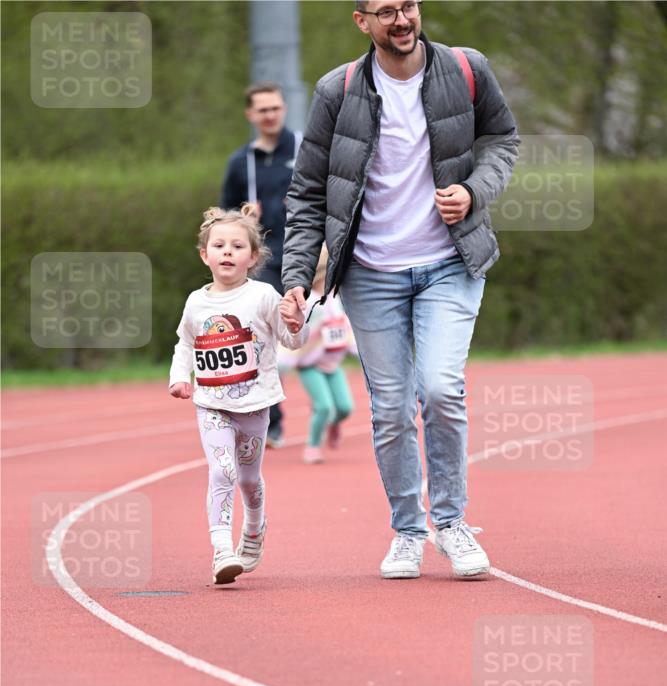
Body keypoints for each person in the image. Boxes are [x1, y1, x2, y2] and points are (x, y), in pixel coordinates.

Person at [280, 0, 519, 580]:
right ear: (362, 21)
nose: (403, 20)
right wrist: (294, 280)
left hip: (448, 262)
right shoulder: (337, 90)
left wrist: (473, 190)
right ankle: (409, 531)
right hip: (370, 273)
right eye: (386, 11)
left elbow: (502, 141)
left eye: (409, 5)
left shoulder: (466, 68)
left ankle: (453, 523)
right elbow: (308, 192)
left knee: (439, 390)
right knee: (390, 409)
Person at [169, 205, 306, 585]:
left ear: (253, 257)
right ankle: (221, 550)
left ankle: (254, 527)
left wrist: (297, 321)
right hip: (212, 404)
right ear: (205, 255)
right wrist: (180, 377)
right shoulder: (197, 302)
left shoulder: (263, 296)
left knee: (248, 478)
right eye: (219, 245)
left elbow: (292, 340)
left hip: (254, 405)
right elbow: (185, 343)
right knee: (222, 470)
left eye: (236, 246)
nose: (227, 252)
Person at [221, 82, 302, 449]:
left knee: (324, 335)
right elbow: (223, 218)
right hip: (266, 259)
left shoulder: (305, 150)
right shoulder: (241, 162)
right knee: (261, 334)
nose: (270, 115)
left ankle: (339, 408)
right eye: (262, 110)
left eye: (275, 108)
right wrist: (243, 216)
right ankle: (270, 420)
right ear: (250, 115)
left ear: (284, 109)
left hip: (310, 257)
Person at [278, 248, 356, 464]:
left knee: (345, 408)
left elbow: (347, 329)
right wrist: (283, 364)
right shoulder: (308, 303)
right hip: (309, 364)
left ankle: (333, 424)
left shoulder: (337, 299)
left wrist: (360, 352)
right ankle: (313, 445)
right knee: (323, 407)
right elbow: (296, 333)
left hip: (332, 364)